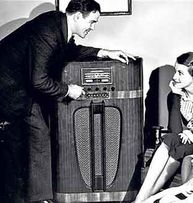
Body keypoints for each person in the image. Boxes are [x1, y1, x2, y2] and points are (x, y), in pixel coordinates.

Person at [0, 0, 135, 202]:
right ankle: (37, 199)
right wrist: (67, 90)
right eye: (91, 22)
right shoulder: (49, 31)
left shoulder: (58, 25)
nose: (92, 27)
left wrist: (104, 52)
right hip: (9, 90)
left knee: (36, 140)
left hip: (20, 87)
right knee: (36, 139)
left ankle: (35, 197)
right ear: (78, 16)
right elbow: (38, 80)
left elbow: (70, 50)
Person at [144, 52, 193, 149]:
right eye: (175, 71)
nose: (174, 77)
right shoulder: (174, 96)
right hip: (186, 145)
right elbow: (175, 131)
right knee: (170, 141)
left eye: (180, 73)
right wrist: (175, 96)